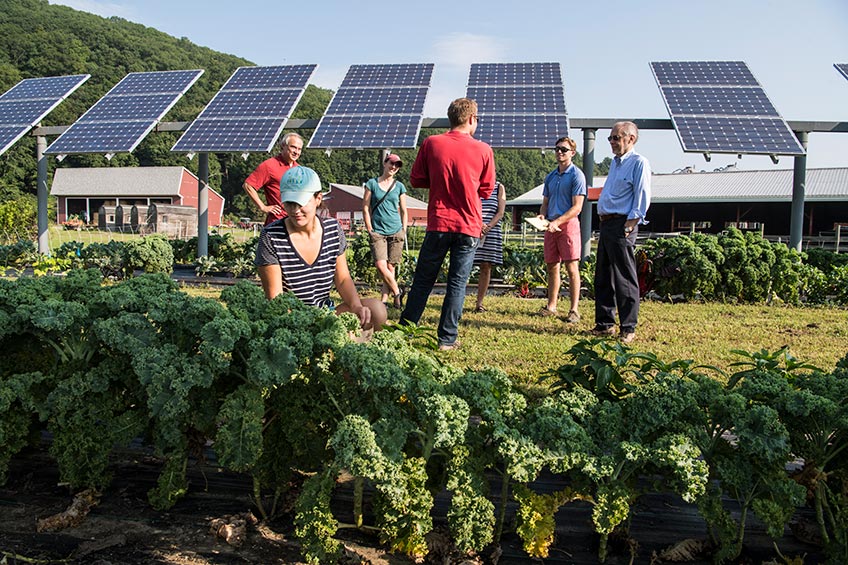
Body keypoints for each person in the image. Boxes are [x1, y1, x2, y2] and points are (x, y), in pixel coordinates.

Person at [400, 97, 495, 351]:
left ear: (451, 118)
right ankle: (447, 340)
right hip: (468, 226)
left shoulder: (431, 143)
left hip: (438, 223)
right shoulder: (484, 150)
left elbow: (416, 179)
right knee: (457, 283)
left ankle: (404, 331)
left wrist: (442, 179)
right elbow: (486, 190)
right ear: (472, 119)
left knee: (423, 280)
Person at [255, 166, 387, 333]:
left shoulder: (332, 229)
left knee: (376, 310)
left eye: (301, 203)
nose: (295, 210)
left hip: (326, 313)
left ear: (318, 198)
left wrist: (356, 307)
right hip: (289, 319)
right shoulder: (271, 236)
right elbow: (276, 300)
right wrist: (299, 327)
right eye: (289, 203)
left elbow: (343, 279)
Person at [592, 121, 651, 344]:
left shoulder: (638, 163)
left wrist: (629, 225)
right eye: (611, 138)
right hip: (607, 224)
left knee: (624, 277)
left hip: (622, 224)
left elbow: (642, 196)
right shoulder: (616, 164)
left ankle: (628, 327)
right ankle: (605, 323)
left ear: (631, 139)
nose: (612, 143)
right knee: (604, 275)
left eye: (616, 138)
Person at [536, 137, 586, 323]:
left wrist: (558, 221)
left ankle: (574, 310)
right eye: (557, 149)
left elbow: (577, 207)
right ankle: (552, 306)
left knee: (572, 267)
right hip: (550, 226)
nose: (559, 152)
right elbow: (545, 203)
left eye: (563, 149)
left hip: (568, 225)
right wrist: (542, 216)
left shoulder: (577, 175)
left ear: (572, 153)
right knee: (552, 266)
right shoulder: (550, 176)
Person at [363, 154, 408, 309]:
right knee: (381, 265)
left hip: (396, 230)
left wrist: (403, 229)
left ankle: (385, 300)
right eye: (391, 163)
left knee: (390, 268)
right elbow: (365, 207)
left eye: (397, 165)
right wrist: (369, 228)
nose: (394, 167)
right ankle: (397, 292)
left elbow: (403, 210)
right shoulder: (372, 184)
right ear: (385, 163)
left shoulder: (400, 186)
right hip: (378, 231)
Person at [243, 132, 304, 225]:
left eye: (299, 149)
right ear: (283, 146)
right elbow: (248, 185)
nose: (296, 152)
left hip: (295, 221)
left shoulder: (300, 169)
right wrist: (263, 207)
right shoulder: (269, 165)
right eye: (293, 147)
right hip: (277, 221)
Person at [472, 181, 506, 313]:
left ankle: (479, 303)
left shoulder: (499, 187)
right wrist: (479, 224)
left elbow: (501, 212)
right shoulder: (473, 183)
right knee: (464, 263)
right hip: (472, 227)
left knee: (486, 265)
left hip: (491, 231)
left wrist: (487, 227)